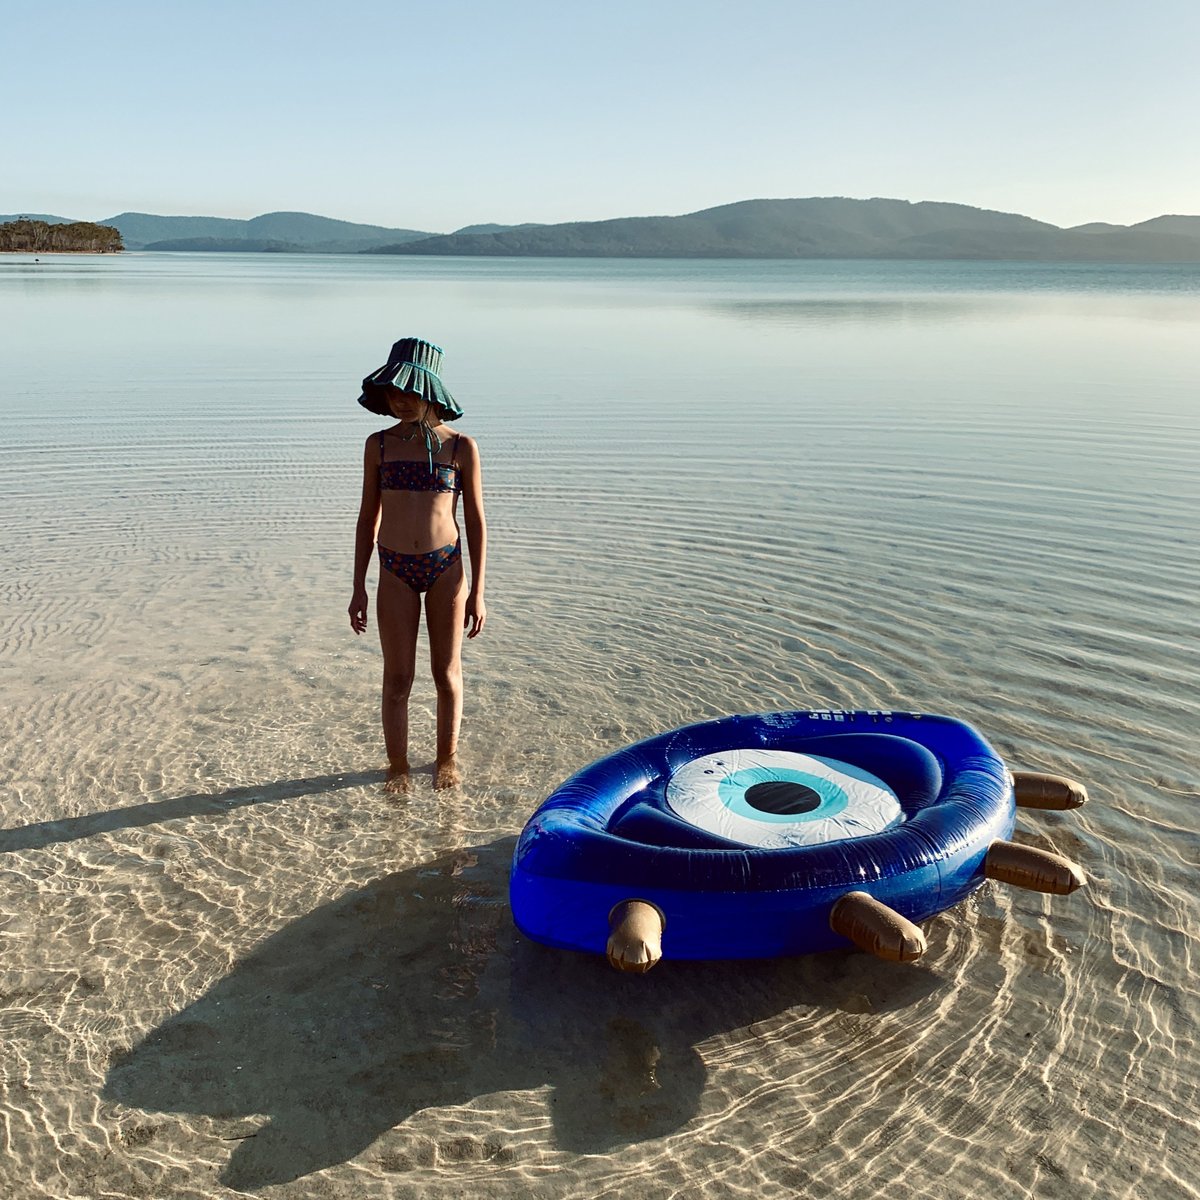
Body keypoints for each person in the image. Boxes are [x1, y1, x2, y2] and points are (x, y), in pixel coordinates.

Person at [348, 337, 487, 793]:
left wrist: (479, 592)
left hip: (446, 567)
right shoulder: (379, 446)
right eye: (392, 393)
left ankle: (446, 759)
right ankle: (398, 765)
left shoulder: (461, 447)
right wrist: (358, 587)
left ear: (430, 392)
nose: (399, 401)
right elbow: (368, 517)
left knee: (446, 674)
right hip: (393, 570)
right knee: (397, 678)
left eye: (408, 392)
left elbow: (476, 522)